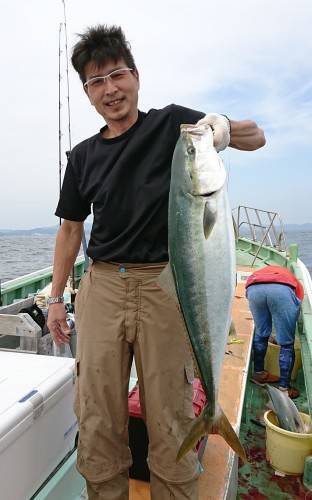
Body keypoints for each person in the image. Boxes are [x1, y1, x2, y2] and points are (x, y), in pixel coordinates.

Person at [47, 25, 265, 500]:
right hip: (101, 286)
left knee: (170, 417)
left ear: (136, 76)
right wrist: (56, 297)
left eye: (117, 75)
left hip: (166, 286)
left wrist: (221, 128)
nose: (110, 89)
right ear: (87, 93)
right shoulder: (82, 158)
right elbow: (69, 231)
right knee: (98, 416)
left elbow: (257, 137)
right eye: (96, 81)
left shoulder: (174, 128)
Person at [245, 265, 304, 399]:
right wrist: (284, 335)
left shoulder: (263, 272)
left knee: (261, 334)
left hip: (253, 289)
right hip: (282, 292)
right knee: (287, 345)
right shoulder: (294, 282)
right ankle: (284, 388)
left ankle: (259, 373)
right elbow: (297, 303)